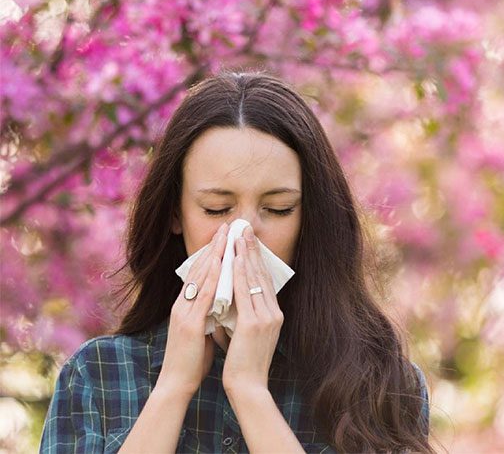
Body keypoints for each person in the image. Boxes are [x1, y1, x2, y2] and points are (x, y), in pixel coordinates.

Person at [39, 71, 433, 453]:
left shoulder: (380, 387)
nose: (244, 233)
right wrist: (173, 386)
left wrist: (250, 392)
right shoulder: (97, 375)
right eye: (217, 208)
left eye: (278, 209)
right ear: (175, 213)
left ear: (308, 216)